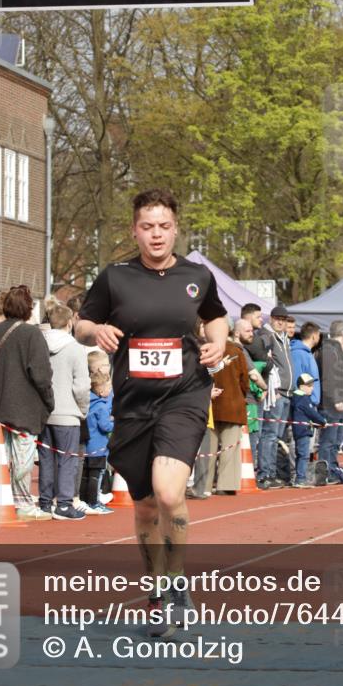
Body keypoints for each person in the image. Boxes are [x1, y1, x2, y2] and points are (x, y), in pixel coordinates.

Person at [75, 188, 228, 637]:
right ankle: (157, 591)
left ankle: (177, 582)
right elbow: (81, 323)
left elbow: (215, 315)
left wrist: (218, 340)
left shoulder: (197, 275)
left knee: (166, 491)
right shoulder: (114, 277)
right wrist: (96, 329)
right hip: (133, 402)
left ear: (175, 229)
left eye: (164, 226)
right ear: (135, 230)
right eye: (147, 226)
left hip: (184, 395)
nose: (156, 234)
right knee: (143, 508)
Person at [0, 284, 55, 520]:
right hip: (24, 406)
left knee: (2, 457)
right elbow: (42, 375)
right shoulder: (32, 334)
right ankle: (22, 502)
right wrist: (48, 401)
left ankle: (3, 499)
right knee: (23, 456)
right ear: (28, 308)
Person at [39, 303, 91, 521]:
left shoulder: (40, 345)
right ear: (70, 322)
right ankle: (64, 504)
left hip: (45, 411)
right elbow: (81, 385)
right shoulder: (75, 348)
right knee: (67, 460)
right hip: (68, 413)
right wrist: (83, 409)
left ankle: (44, 502)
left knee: (46, 459)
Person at [257, 305, 295, 489]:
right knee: (270, 434)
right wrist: (274, 388)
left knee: (276, 436)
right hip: (276, 393)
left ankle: (272, 472)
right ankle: (266, 474)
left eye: (284, 319)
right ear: (271, 318)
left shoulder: (284, 337)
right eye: (278, 318)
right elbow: (264, 360)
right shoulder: (266, 335)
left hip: (287, 392)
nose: (281, 321)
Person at [205, 337, 249, 496]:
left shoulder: (206, 349)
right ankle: (227, 484)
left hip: (209, 404)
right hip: (233, 405)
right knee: (230, 448)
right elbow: (245, 380)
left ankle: (204, 484)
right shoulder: (236, 351)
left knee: (208, 449)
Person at [318, 320, 343, 478]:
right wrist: (337, 398)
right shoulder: (329, 350)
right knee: (329, 440)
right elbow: (329, 378)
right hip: (331, 404)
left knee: (336, 441)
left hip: (340, 402)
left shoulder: (337, 350)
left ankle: (332, 469)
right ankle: (325, 471)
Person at [233, 318, 267, 467]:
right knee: (250, 438)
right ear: (236, 332)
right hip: (247, 401)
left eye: (251, 330)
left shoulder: (233, 349)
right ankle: (246, 474)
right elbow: (253, 374)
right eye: (247, 331)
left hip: (239, 400)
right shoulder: (239, 350)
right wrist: (265, 388)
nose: (251, 334)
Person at [83, 362, 115, 514]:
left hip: (88, 446)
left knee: (86, 475)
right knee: (96, 476)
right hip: (99, 447)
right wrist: (114, 423)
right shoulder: (101, 406)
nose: (110, 391)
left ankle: (84, 499)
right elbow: (106, 427)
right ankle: (94, 502)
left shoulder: (88, 403)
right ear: (101, 390)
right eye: (109, 388)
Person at [289, 373, 327, 488]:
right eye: (309, 385)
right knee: (303, 455)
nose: (312, 388)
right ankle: (300, 479)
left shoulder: (295, 398)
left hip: (299, 430)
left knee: (300, 454)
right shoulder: (303, 399)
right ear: (301, 386)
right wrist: (322, 421)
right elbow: (311, 413)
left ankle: (298, 478)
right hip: (303, 431)